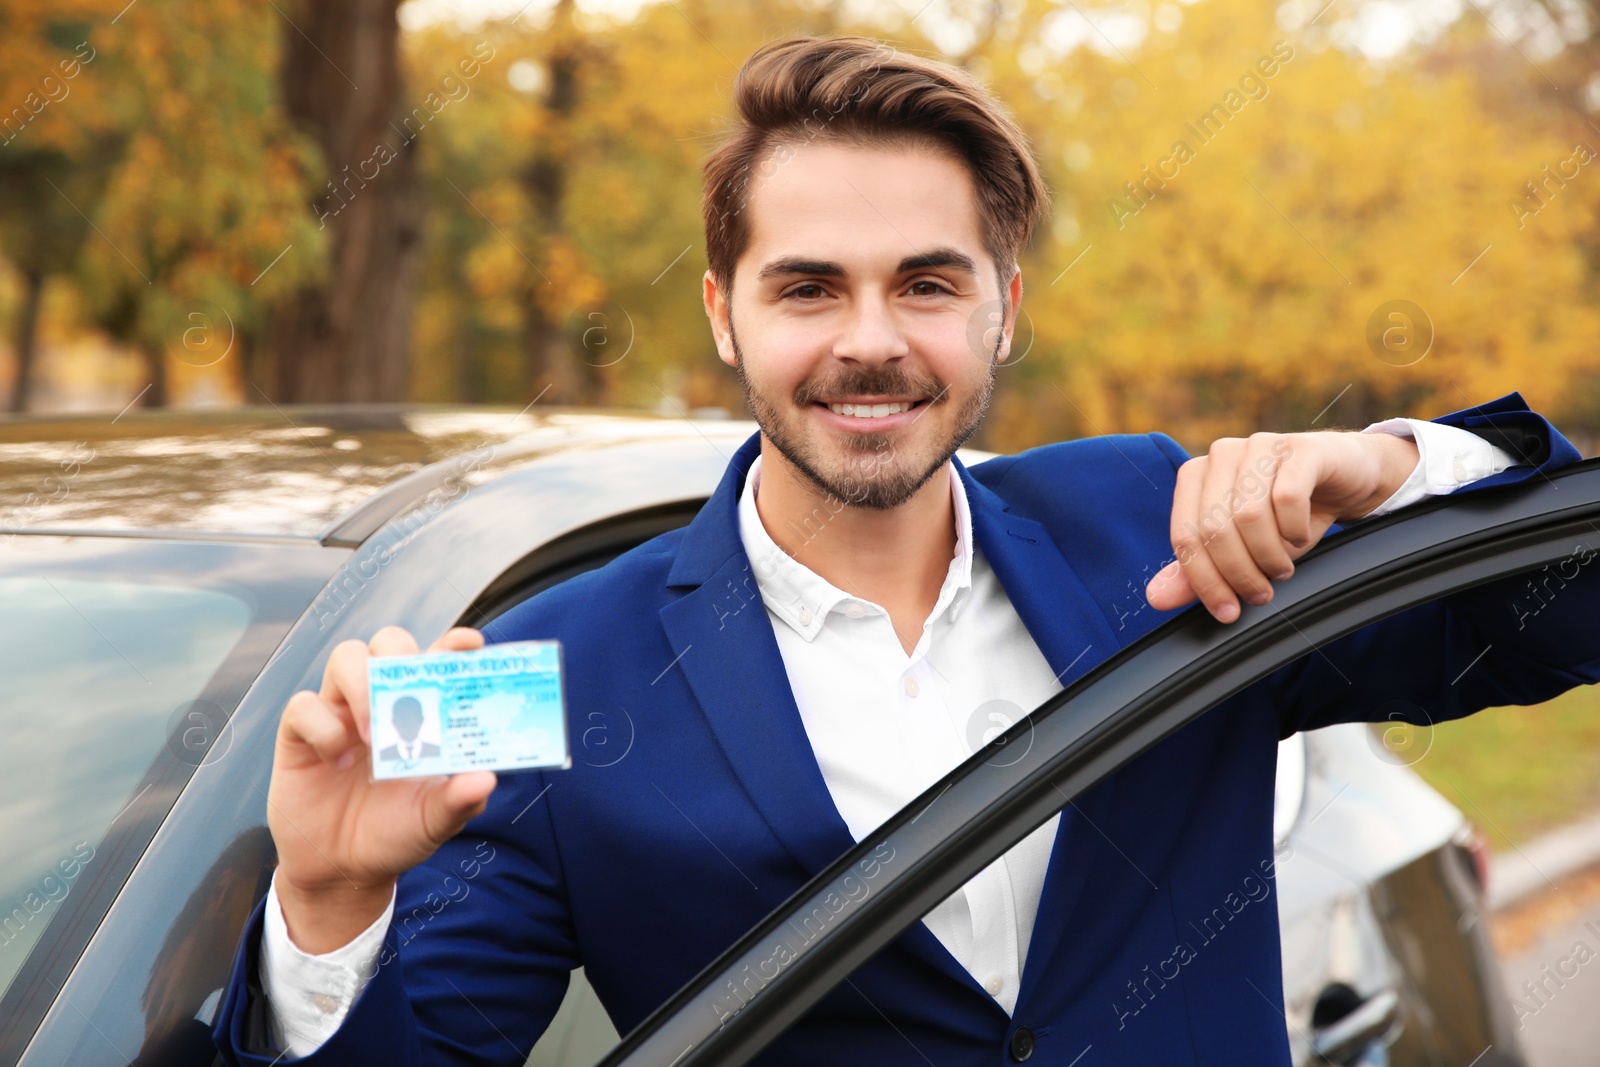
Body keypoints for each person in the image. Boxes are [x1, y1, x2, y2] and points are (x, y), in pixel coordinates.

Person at [213, 34, 1600, 1065]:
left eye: (927, 283)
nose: (870, 337)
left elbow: (1563, 611)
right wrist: (333, 904)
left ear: (1005, 310)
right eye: (808, 285)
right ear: (721, 312)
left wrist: (1403, 466)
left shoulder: (1157, 525)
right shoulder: (546, 678)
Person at [376, 696, 440, 765]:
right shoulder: (382, 755)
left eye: (411, 719)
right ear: (394, 722)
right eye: (403, 720)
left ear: (421, 720)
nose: (407, 725)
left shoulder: (437, 751)